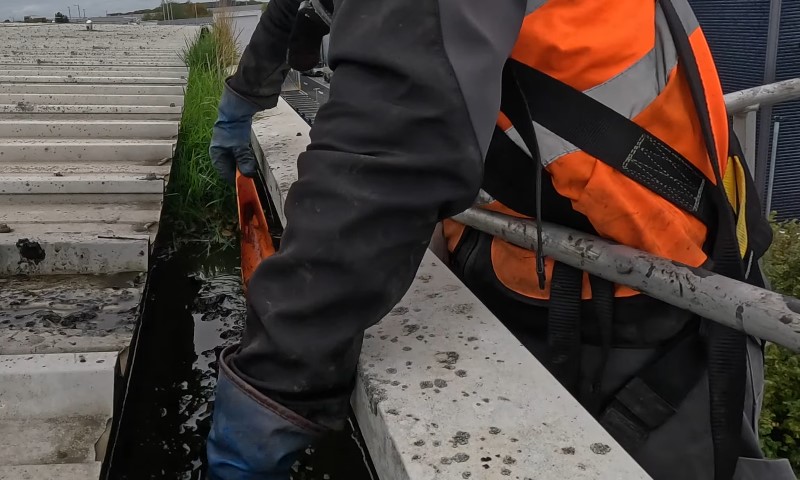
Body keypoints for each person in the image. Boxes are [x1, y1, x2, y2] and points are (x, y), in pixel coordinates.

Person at [206, 0, 795, 479]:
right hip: (560, 236)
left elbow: (387, 155)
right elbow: (304, 7)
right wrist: (248, 89)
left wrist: (272, 385)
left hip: (643, 291)